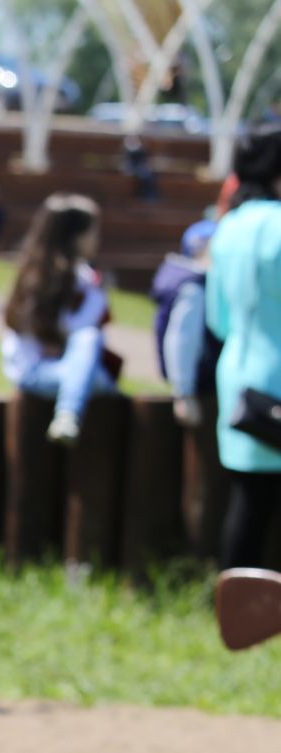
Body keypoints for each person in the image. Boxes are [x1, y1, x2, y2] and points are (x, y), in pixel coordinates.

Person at [204, 125, 281, 568]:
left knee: (248, 505)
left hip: (238, 379)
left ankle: (234, 616)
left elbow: (219, 319)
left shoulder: (228, 226)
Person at [1, 194, 114, 446]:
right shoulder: (40, 277)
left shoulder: (84, 277)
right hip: (33, 370)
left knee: (100, 381)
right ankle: (68, 415)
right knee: (88, 341)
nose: (97, 239)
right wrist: (97, 298)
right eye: (92, 232)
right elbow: (71, 330)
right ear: (74, 235)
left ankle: (69, 413)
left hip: (69, 370)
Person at [152, 219, 222, 428]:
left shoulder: (187, 281)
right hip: (199, 387)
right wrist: (184, 393)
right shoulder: (194, 288)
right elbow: (182, 340)